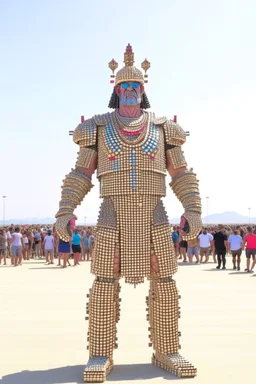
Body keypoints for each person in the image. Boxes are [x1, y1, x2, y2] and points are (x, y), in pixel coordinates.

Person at [55, 44, 202, 381]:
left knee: (164, 282)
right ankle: (100, 353)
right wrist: (65, 211)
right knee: (104, 284)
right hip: (112, 215)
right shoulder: (98, 127)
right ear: (116, 89)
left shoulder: (164, 129)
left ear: (144, 89)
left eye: (137, 86)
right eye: (125, 87)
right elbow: (81, 173)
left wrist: (193, 208)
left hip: (155, 214)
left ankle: (168, 349)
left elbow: (180, 174)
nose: (131, 92)